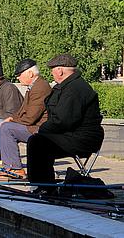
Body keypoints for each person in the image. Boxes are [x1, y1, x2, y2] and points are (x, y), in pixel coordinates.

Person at [27, 54, 104, 194]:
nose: (51, 73)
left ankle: (44, 187)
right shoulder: (67, 86)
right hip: (72, 134)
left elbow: (64, 120)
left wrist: (41, 129)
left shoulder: (75, 89)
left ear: (60, 71)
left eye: (52, 69)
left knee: (38, 142)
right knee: (38, 142)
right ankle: (42, 184)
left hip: (83, 138)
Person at [0, 59, 52, 178]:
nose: (18, 78)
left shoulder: (40, 88)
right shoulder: (34, 86)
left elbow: (30, 118)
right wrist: (12, 118)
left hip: (40, 129)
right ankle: (11, 165)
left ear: (30, 74)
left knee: (7, 128)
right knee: (5, 125)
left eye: (19, 75)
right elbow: (22, 111)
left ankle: (14, 168)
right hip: (35, 126)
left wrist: (12, 121)